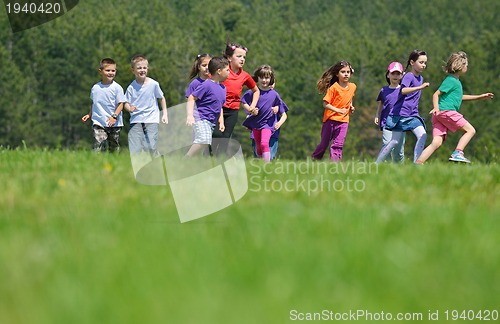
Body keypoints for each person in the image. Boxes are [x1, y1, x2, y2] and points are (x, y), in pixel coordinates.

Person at [415, 51, 494, 164]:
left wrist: (479, 97)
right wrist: (436, 108)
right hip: (446, 112)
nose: (467, 67)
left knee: (436, 143)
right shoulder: (451, 80)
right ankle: (458, 152)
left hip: (439, 116)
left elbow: (459, 97)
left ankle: (418, 163)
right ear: (460, 66)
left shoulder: (455, 81)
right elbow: (436, 94)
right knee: (470, 130)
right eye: (466, 65)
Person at [375, 49, 429, 163]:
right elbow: (403, 90)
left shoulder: (421, 78)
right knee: (393, 142)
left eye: (425, 63)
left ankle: (417, 163)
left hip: (413, 115)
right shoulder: (408, 76)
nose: (423, 65)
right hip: (401, 115)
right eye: (421, 62)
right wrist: (420, 87)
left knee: (422, 135)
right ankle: (377, 164)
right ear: (412, 63)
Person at [212, 41, 260, 154]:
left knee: (225, 138)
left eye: (244, 57)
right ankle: (208, 155)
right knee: (216, 134)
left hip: (233, 111)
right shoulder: (221, 71)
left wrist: (252, 106)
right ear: (229, 57)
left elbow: (256, 91)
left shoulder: (245, 76)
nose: (242, 59)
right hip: (218, 109)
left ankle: (219, 161)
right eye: (238, 56)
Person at [311, 60, 356, 161]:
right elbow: (325, 104)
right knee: (324, 144)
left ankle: (335, 166)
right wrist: (338, 110)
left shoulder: (353, 87)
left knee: (338, 145)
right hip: (330, 120)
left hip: (344, 121)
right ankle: (315, 159)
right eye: (343, 72)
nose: (346, 74)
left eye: (348, 72)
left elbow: (349, 97)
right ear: (337, 74)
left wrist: (351, 106)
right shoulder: (333, 88)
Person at [124, 54, 168, 156]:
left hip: (151, 120)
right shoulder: (131, 87)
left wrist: (165, 114)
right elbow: (125, 102)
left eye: (144, 68)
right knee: (135, 149)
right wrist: (129, 108)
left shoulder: (153, 84)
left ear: (147, 69)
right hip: (136, 120)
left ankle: (157, 158)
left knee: (150, 146)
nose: (142, 70)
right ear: (133, 70)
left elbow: (161, 98)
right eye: (139, 68)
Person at [185, 56, 229, 157]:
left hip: (211, 122)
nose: (229, 72)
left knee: (202, 144)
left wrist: (221, 121)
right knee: (204, 140)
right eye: (227, 70)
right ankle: (186, 158)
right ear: (219, 71)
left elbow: (220, 106)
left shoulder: (223, 88)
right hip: (200, 118)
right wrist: (190, 116)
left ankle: (190, 163)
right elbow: (191, 98)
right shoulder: (207, 85)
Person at [241, 65, 287, 162]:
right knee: (258, 146)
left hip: (268, 124)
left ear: (271, 79)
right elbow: (244, 102)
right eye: (261, 77)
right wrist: (250, 109)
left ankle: (267, 165)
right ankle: (261, 163)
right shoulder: (253, 92)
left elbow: (280, 106)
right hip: (256, 123)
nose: (264, 80)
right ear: (257, 78)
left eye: (267, 78)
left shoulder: (274, 94)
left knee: (264, 143)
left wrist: (277, 109)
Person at [82, 57, 126, 152]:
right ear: (100, 71)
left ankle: (113, 162)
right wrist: (89, 114)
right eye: (108, 70)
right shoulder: (95, 88)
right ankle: (96, 161)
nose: (111, 72)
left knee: (113, 146)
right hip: (99, 121)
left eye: (113, 70)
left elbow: (121, 104)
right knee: (99, 142)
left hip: (114, 123)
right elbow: (94, 103)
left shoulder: (117, 88)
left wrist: (114, 117)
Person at [374, 61, 406, 163]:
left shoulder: (404, 90)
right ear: (388, 75)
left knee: (398, 151)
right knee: (387, 145)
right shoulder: (384, 90)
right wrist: (377, 115)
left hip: (400, 123)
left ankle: (400, 171)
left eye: (398, 74)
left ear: (402, 75)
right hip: (386, 121)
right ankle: (387, 167)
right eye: (393, 73)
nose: (395, 76)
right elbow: (381, 103)